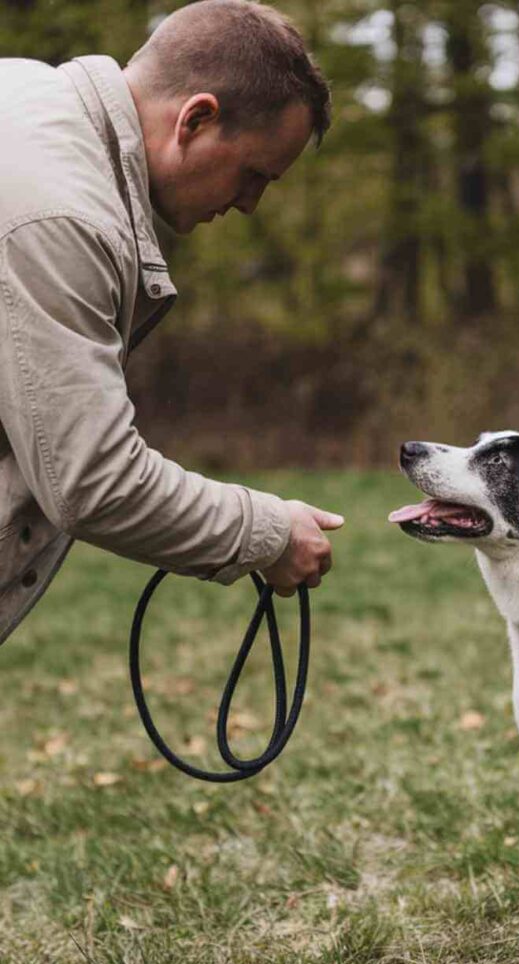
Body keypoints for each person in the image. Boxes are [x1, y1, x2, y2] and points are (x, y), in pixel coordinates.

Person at [0, 0, 343, 645]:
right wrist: (265, 532)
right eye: (252, 175)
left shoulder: (22, 97)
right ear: (196, 118)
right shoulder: (63, 216)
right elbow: (92, 480)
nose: (248, 204)